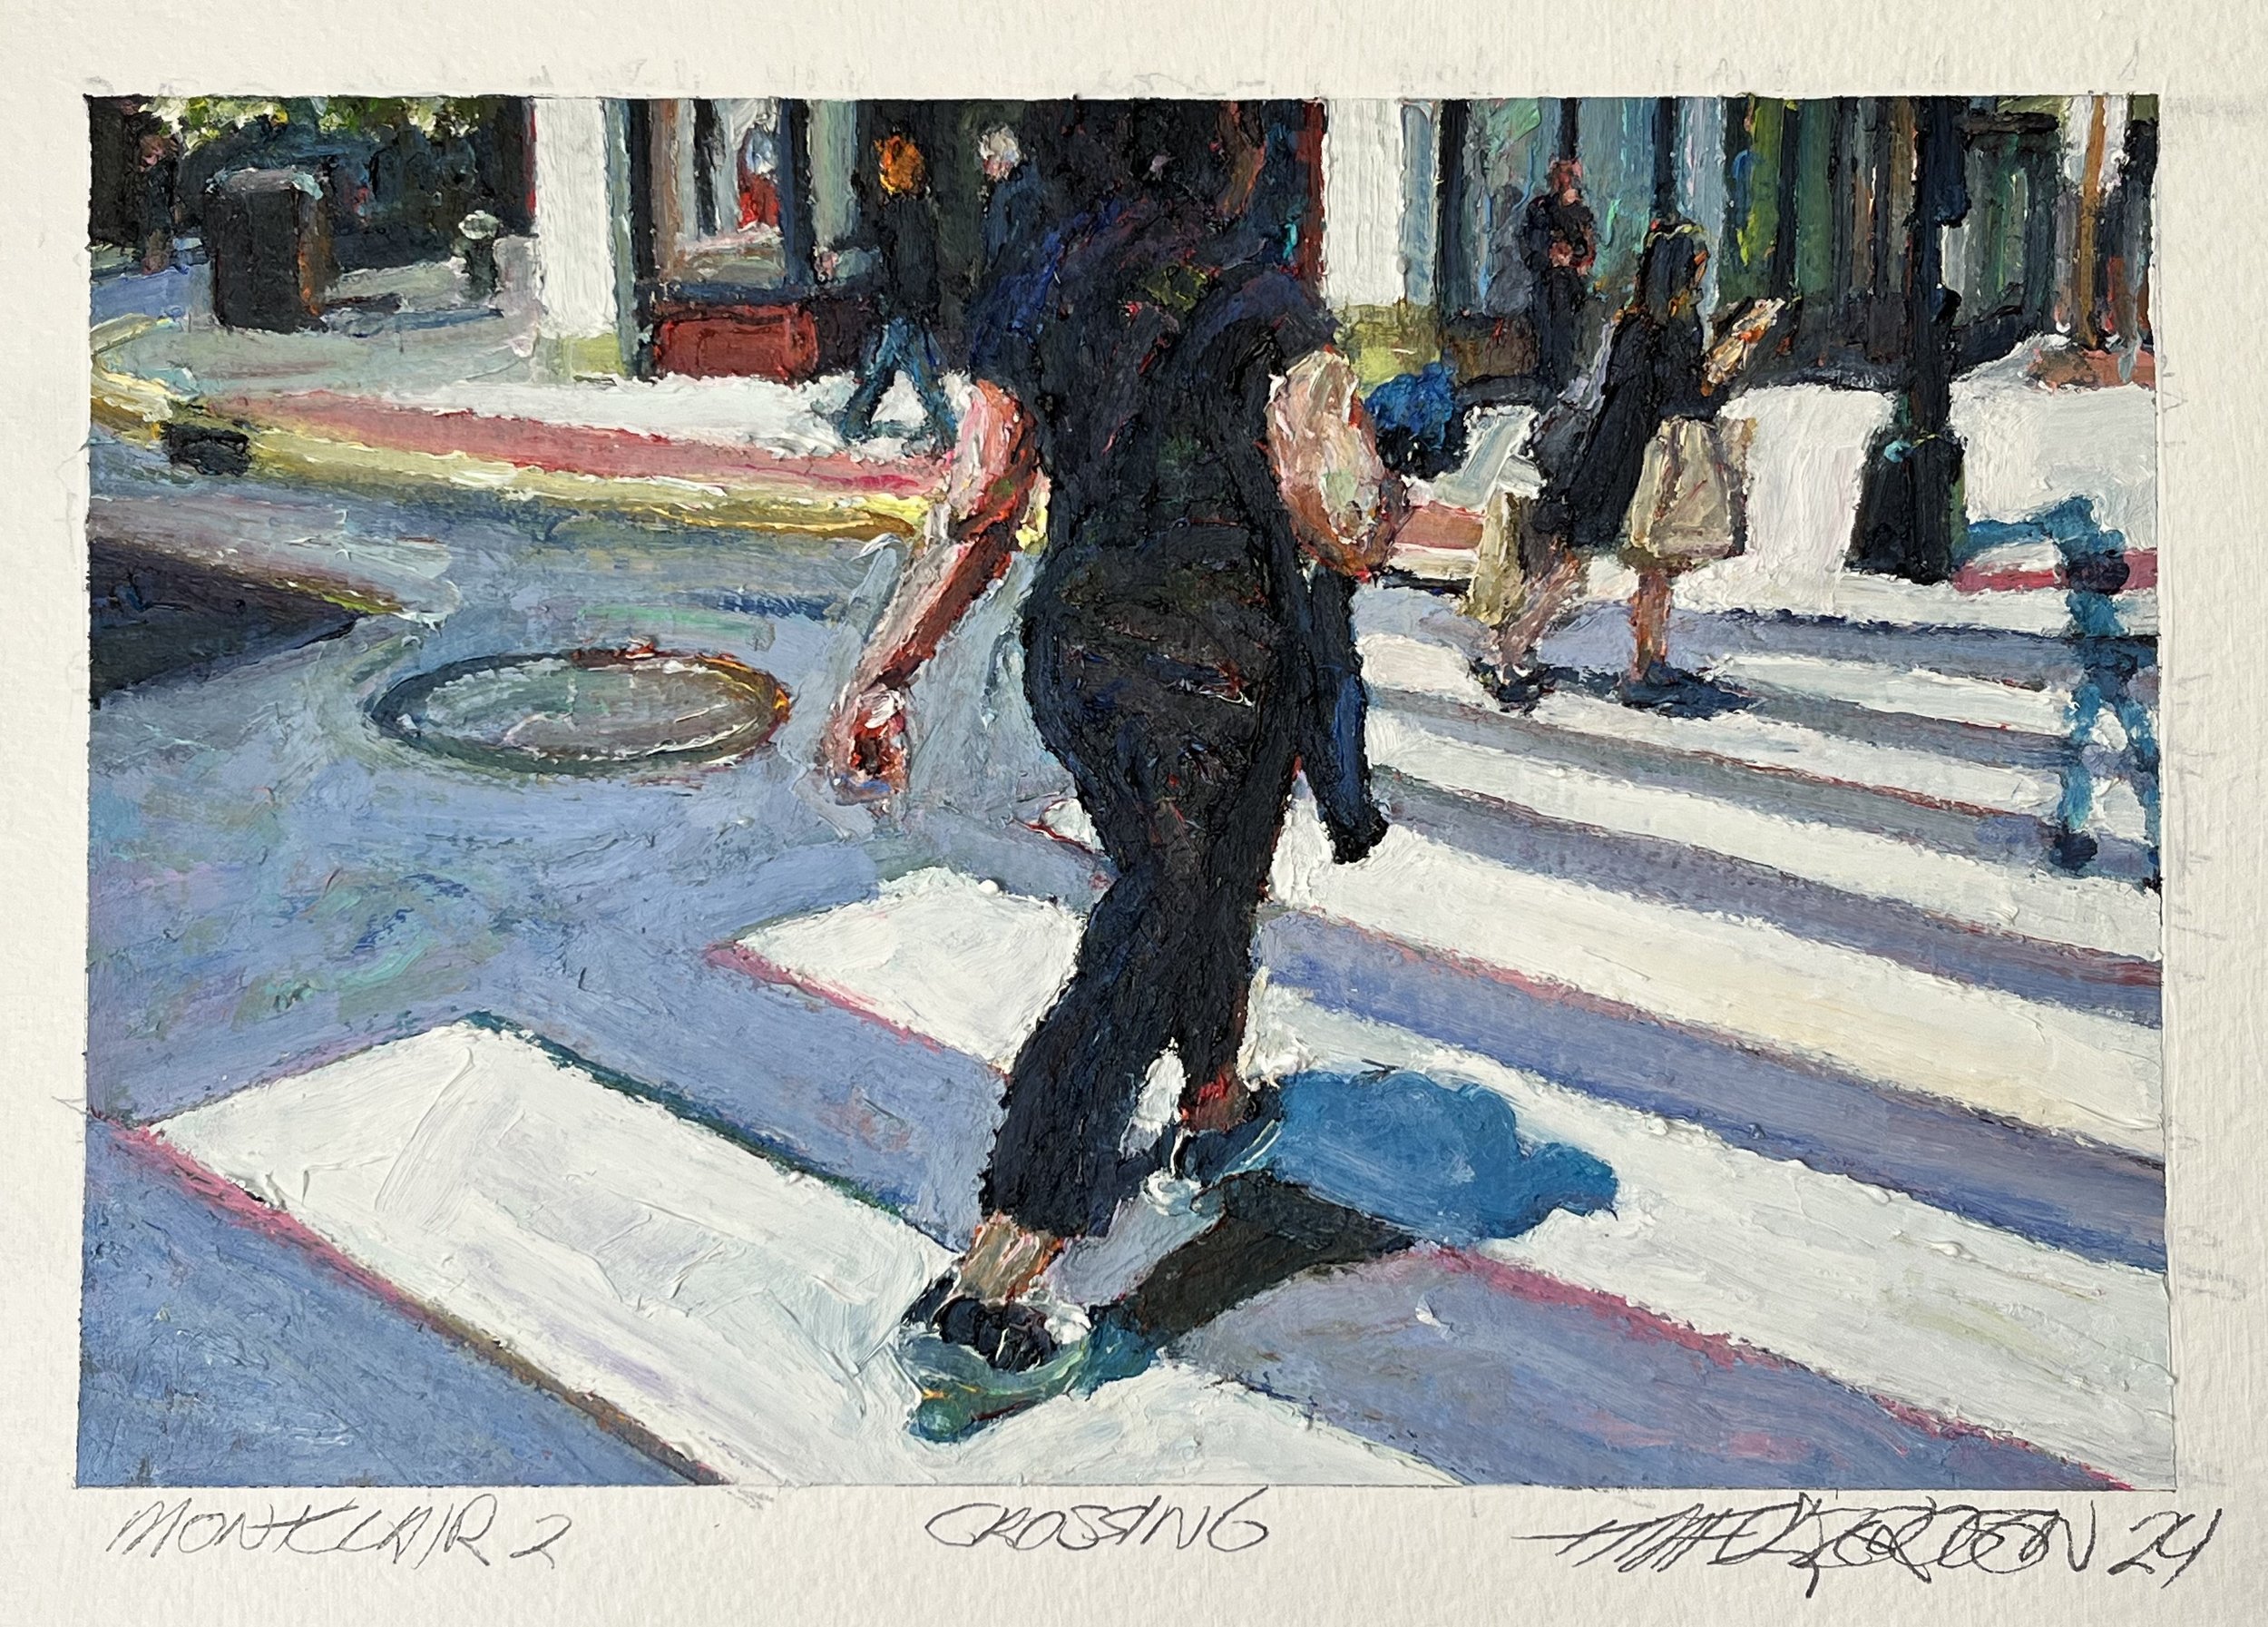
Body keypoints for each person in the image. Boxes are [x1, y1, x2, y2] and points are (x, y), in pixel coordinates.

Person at [816, 101, 1404, 1381]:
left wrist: (887, 671)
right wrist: (1386, 465)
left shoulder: (1040, 284)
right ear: (1212, 150)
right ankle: (997, 1271)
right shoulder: (1265, 303)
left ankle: (1215, 1101)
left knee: (1202, 874)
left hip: (1081, 656)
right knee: (1161, 912)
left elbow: (982, 502)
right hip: (1223, 664)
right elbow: (1347, 517)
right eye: (1245, 128)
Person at [1482, 220, 1759, 709]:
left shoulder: (1637, 324)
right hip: (1631, 461)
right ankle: (1511, 654)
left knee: (1633, 568)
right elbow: (1686, 399)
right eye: (1697, 264)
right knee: (1584, 565)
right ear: (1680, 272)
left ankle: (1643, 664)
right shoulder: (1671, 330)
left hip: (1617, 454)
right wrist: (1731, 354)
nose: (1702, 273)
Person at [835, 132, 957, 452]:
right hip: (911, 304)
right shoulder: (919, 211)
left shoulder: (898, 213)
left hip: (904, 305)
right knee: (886, 366)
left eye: (884, 166)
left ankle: (948, 431)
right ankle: (854, 421)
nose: (881, 171)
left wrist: (839, 247)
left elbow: (873, 238)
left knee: (918, 375)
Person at [1520, 158, 1597, 395]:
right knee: (1545, 324)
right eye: (1562, 177)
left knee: (1565, 327)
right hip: (1546, 277)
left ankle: (1563, 377)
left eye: (1570, 178)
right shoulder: (1540, 209)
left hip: (1568, 282)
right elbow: (1529, 243)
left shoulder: (1582, 213)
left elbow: (1588, 250)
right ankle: (1547, 374)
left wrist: (1572, 259)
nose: (1565, 182)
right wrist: (1549, 254)